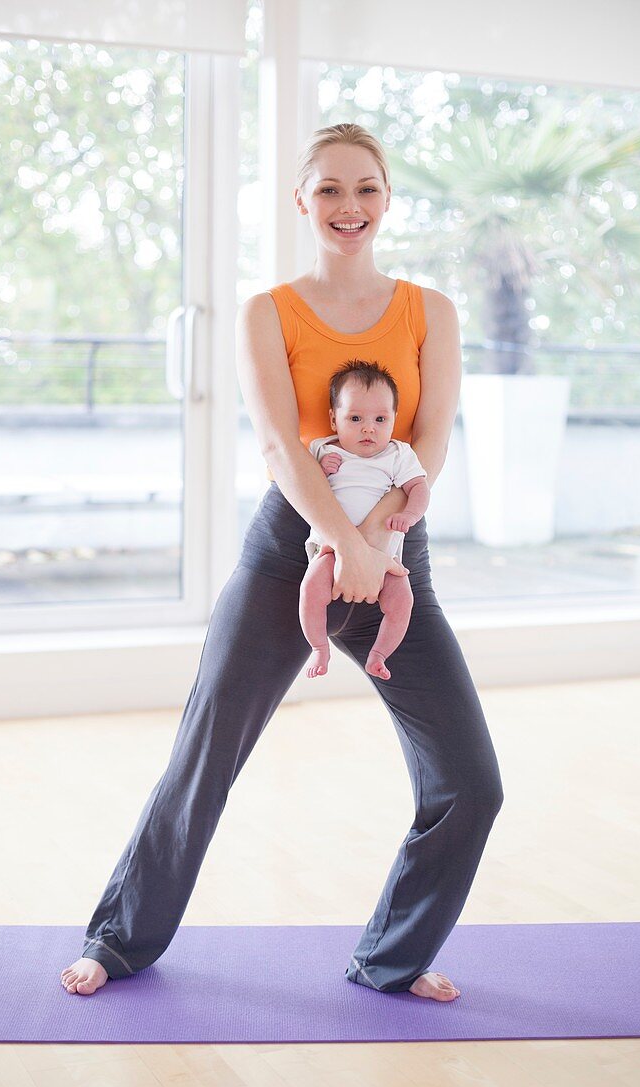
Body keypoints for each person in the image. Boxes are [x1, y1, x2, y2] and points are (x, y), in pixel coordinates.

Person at [60, 122, 503, 1002]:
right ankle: (115, 942)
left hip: (396, 557)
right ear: (302, 200)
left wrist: (377, 542)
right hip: (287, 552)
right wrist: (343, 540)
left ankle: (393, 958)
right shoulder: (268, 310)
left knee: (471, 783)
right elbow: (277, 445)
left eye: (367, 189)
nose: (350, 207)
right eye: (331, 190)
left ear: (387, 198)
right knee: (204, 757)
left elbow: (430, 439)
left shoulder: (431, 311)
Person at [300, 358, 430, 680]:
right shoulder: (323, 449)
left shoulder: (398, 455)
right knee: (310, 588)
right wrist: (320, 470)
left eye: (380, 419)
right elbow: (302, 486)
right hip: (331, 549)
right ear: (334, 419)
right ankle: (319, 647)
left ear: (394, 420)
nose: (368, 428)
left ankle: (380, 653)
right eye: (355, 418)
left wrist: (410, 514)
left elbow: (420, 488)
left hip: (385, 557)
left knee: (403, 600)